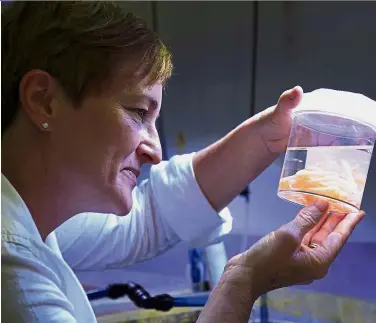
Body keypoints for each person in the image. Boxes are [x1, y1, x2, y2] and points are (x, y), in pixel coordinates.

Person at [1, 2, 364, 323]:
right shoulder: (13, 279)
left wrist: (267, 136)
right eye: (138, 112)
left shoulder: (34, 218)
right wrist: (244, 280)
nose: (155, 151)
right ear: (44, 100)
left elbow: (149, 219)